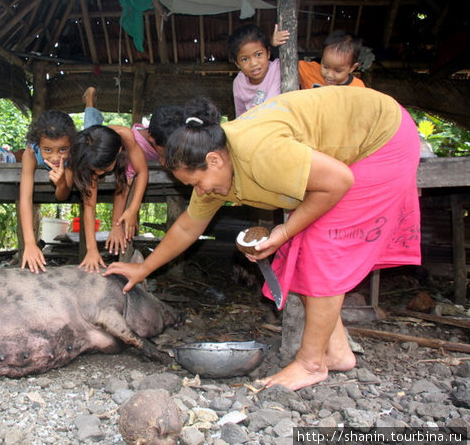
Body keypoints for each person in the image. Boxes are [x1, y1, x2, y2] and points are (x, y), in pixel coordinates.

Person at [104, 87, 421, 391]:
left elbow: (339, 181)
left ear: (215, 160)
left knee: (323, 250)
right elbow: (188, 227)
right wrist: (142, 270)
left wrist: (283, 231)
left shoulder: (258, 152)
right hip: (352, 152)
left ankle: (311, 364)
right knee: (305, 249)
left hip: (383, 139)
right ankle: (336, 353)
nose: (199, 192)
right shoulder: (213, 167)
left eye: (198, 183)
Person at [70, 124, 149, 273]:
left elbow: (142, 171)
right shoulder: (85, 149)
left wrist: (132, 209)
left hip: (133, 155)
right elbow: (89, 206)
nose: (100, 173)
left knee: (129, 177)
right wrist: (92, 249)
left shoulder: (125, 136)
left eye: (105, 170)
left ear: (118, 151)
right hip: (92, 161)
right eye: (96, 170)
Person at [18, 109, 77, 273]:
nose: (56, 157)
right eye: (48, 150)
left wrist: (61, 183)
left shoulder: (73, 156)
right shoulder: (30, 152)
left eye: (62, 149)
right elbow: (25, 198)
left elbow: (62, 196)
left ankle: (90, 103)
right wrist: (30, 243)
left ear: (71, 145)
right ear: (38, 145)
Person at [228, 24, 290, 117]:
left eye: (258, 54)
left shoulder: (278, 68)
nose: (253, 63)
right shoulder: (239, 83)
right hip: (253, 128)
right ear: (237, 64)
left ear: (268, 53)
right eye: (245, 59)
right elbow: (240, 116)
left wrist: (274, 45)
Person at [296, 30, 365, 88]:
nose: (329, 75)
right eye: (325, 67)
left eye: (338, 71)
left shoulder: (357, 88)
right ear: (322, 59)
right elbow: (287, 65)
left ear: (352, 68)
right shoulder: (309, 71)